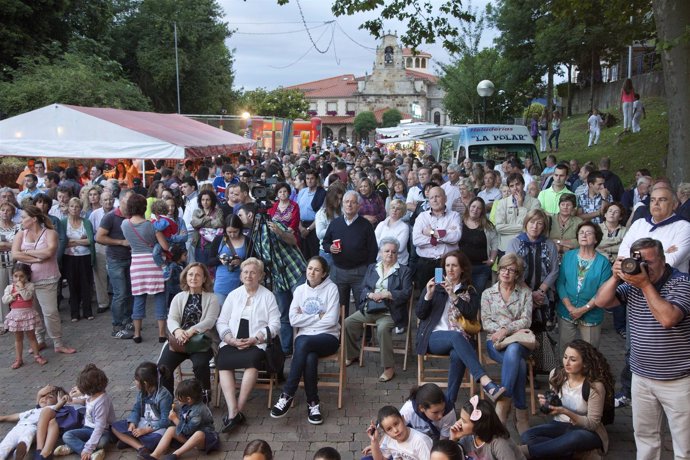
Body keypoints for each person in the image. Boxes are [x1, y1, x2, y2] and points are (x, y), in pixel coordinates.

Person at [595, 238, 690, 459]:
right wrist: (615, 277)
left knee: (684, 446)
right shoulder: (633, 285)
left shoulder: (681, 282)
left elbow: (668, 319)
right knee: (645, 438)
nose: (645, 266)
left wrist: (645, 284)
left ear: (664, 260)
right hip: (641, 377)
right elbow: (602, 302)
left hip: (677, 379)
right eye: (639, 261)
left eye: (650, 261)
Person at [416, 250, 504, 405]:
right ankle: (485, 382)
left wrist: (454, 296)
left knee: (458, 354)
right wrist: (428, 295)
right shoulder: (434, 287)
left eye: (454, 266)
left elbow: (471, 314)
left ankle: (449, 405)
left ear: (462, 268)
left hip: (461, 340)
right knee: (456, 336)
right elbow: (420, 314)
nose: (450, 269)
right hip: (433, 337)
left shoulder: (470, 290)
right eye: (447, 265)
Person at [269, 256, 340, 424]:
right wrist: (317, 316)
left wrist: (305, 317)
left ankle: (287, 394)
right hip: (306, 340)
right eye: (309, 268)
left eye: (316, 270)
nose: (312, 272)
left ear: (323, 274)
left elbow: (331, 320)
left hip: (328, 337)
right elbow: (293, 320)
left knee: (303, 343)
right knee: (309, 356)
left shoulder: (332, 289)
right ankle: (313, 403)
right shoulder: (300, 290)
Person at [216, 258, 280, 434]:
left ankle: (238, 409)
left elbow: (275, 324)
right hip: (232, 340)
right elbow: (221, 321)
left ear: (260, 275)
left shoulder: (268, 296)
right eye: (245, 272)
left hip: (255, 342)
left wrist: (256, 338)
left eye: (253, 272)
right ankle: (233, 411)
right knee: (223, 361)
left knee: (252, 361)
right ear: (241, 274)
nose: (248, 275)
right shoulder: (233, 295)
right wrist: (230, 339)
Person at [520, 340, 613, 459]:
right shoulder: (556, 374)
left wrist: (566, 411)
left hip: (586, 431)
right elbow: (553, 409)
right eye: (565, 357)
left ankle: (523, 453)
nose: (566, 363)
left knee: (575, 437)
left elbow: (592, 424)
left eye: (573, 360)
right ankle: (574, 453)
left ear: (584, 363)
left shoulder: (594, 386)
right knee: (527, 437)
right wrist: (548, 405)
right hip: (559, 424)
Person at [237, 203, 306, 354]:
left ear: (249, 215)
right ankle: (287, 349)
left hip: (295, 272)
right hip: (278, 278)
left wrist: (279, 232)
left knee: (302, 310)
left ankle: (304, 346)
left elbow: (293, 240)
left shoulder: (272, 223)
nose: (238, 218)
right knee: (283, 314)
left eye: (240, 215)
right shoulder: (253, 234)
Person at [344, 238, 412, 382]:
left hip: (389, 312)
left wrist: (388, 294)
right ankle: (353, 354)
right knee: (348, 322)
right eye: (387, 251)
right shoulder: (372, 268)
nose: (390, 254)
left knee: (382, 329)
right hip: (370, 308)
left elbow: (407, 293)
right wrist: (370, 294)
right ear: (380, 253)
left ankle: (389, 368)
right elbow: (362, 288)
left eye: (394, 252)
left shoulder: (404, 271)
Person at [11, 206, 75, 354]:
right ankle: (40, 340)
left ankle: (58, 342)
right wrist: (37, 257)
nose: (21, 220)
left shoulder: (50, 233)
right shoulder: (21, 234)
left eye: (23, 217)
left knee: (50, 311)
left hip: (47, 278)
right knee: (34, 311)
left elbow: (49, 252)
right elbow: (15, 254)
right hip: (27, 281)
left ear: (33, 219)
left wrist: (26, 252)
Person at [480, 254, 532, 434]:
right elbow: (485, 322)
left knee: (515, 349)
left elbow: (526, 320)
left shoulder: (525, 293)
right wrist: (502, 332)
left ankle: (503, 401)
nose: (506, 273)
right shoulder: (488, 293)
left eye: (511, 270)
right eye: (503, 268)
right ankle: (521, 412)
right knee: (519, 363)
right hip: (495, 343)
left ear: (517, 274)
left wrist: (506, 329)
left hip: (519, 342)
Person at [158, 263, 219, 397]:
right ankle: (167, 400)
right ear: (186, 277)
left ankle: (203, 399)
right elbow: (172, 319)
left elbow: (210, 320)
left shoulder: (212, 298)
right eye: (190, 274)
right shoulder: (178, 297)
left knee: (201, 365)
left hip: (202, 342)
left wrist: (192, 331)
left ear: (204, 279)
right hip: (179, 341)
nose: (193, 277)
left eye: (198, 275)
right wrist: (178, 331)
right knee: (163, 367)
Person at [556, 222, 612, 356]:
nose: (584, 235)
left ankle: (588, 377)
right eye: (581, 232)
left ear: (596, 239)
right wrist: (570, 307)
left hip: (591, 314)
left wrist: (583, 309)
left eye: (588, 233)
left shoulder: (603, 263)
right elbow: (561, 283)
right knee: (564, 349)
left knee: (590, 353)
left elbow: (602, 292)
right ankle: (564, 376)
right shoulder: (568, 256)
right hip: (566, 311)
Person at [121, 193, 168, 343]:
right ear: (144, 207)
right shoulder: (151, 225)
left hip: (136, 265)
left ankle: (136, 333)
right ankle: (161, 334)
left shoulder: (125, 224)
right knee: (160, 298)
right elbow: (165, 246)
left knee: (139, 298)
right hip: (153, 264)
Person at [322, 191, 377, 314]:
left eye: (353, 202)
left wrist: (368, 270)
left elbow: (373, 249)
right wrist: (330, 248)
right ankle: (342, 332)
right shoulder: (335, 223)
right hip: (339, 271)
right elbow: (325, 243)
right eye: (347, 202)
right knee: (340, 307)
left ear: (358, 206)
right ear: (342, 204)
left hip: (360, 272)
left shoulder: (366, 225)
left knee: (362, 306)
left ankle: (365, 334)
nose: (349, 205)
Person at [618, 182, 690, 273]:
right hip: (634, 281)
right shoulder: (639, 224)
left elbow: (670, 262)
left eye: (662, 200)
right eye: (652, 200)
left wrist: (635, 259)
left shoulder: (684, 228)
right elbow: (622, 254)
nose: (656, 203)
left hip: (670, 284)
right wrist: (663, 253)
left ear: (674, 205)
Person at [141, 379, 219, 460]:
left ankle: (175, 454)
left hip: (204, 440)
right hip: (190, 437)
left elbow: (187, 430)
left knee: (199, 434)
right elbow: (184, 424)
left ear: (188, 399)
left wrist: (175, 419)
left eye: (179, 399)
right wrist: (175, 419)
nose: (177, 401)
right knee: (171, 429)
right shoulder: (187, 405)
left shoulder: (198, 411)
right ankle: (154, 455)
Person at [111, 362, 173, 458]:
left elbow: (165, 421)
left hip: (157, 427)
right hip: (143, 423)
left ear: (145, 383)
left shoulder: (164, 396)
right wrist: (132, 423)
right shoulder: (142, 392)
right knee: (114, 427)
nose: (134, 382)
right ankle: (141, 447)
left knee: (157, 439)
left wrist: (146, 430)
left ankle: (131, 441)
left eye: (136, 380)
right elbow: (136, 409)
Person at [54, 364, 115, 460]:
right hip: (87, 429)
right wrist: (67, 399)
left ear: (88, 388)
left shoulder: (101, 402)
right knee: (67, 435)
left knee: (101, 443)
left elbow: (99, 427)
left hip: (104, 431)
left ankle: (75, 448)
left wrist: (88, 449)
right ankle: (93, 453)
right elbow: (80, 400)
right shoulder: (91, 394)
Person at [96, 189, 134, 339]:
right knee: (120, 293)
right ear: (122, 200)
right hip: (115, 260)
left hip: (131, 259)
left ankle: (127, 320)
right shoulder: (110, 217)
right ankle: (117, 326)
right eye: (130, 200)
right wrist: (121, 242)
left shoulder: (132, 215)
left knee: (130, 292)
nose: (132, 203)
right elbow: (99, 237)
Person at [0, 385, 69, 460]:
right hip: (18, 427)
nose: (44, 398)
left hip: (32, 427)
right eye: (43, 396)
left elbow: (57, 406)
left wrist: (61, 402)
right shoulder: (31, 411)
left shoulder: (50, 409)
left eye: (50, 397)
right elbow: (11, 417)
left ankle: (19, 454)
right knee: (5, 445)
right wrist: (2, 418)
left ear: (57, 401)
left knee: (26, 438)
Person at [412, 186, 461, 290]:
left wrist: (431, 232)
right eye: (431, 197)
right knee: (425, 294)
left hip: (443, 264)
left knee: (440, 293)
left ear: (445, 198)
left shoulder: (454, 216)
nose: (434, 200)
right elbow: (416, 240)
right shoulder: (422, 217)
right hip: (425, 264)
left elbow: (455, 237)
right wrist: (443, 236)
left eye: (437, 196)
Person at [449, 395, 525, 459]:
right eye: (460, 419)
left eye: (464, 421)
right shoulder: (468, 438)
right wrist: (453, 439)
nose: (458, 423)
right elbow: (449, 457)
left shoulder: (499, 444)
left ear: (479, 425)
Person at [59, 197, 96, 322]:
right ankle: (74, 313)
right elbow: (63, 242)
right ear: (68, 208)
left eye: (77, 207)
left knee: (86, 284)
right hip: (69, 258)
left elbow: (90, 241)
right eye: (72, 206)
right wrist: (81, 241)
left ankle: (87, 311)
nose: (74, 209)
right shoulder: (63, 222)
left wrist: (73, 241)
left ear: (81, 209)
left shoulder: (86, 222)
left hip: (85, 257)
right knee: (72, 285)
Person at [3, 263, 46, 368]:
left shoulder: (30, 286)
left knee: (32, 336)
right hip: (16, 316)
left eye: (21, 276)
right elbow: (4, 300)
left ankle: (37, 355)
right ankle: (19, 359)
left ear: (27, 276)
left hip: (28, 315)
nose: (18, 278)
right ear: (12, 276)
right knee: (18, 338)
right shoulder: (9, 288)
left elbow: (27, 297)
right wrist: (13, 295)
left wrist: (21, 289)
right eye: (16, 276)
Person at [493, 173, 542, 256]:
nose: (515, 188)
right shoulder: (502, 203)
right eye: (511, 186)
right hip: (505, 247)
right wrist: (522, 228)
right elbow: (498, 227)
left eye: (517, 184)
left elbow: (532, 226)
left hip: (527, 246)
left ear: (523, 185)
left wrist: (520, 206)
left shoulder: (535, 202)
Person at [362, 406, 432, 460]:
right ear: (385, 433)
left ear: (403, 419)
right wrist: (374, 441)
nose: (395, 430)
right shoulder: (389, 438)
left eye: (396, 424)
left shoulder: (421, 441)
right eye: (389, 429)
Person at [458, 197, 497, 294]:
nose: (475, 210)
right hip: (462, 268)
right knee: (461, 295)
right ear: (469, 207)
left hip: (481, 269)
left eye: (479, 208)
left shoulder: (488, 226)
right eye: (473, 206)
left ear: (482, 211)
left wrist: (492, 260)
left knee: (477, 296)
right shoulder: (459, 222)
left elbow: (495, 243)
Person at [208, 215, 247, 307]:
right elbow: (209, 261)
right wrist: (220, 259)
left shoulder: (247, 241)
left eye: (235, 232)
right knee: (220, 313)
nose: (232, 235)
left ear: (240, 229)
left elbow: (253, 261)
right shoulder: (219, 240)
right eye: (229, 232)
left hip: (241, 283)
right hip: (222, 283)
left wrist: (241, 262)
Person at [297, 170, 326, 260]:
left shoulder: (321, 193)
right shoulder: (302, 192)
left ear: (316, 179)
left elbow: (321, 214)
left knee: (314, 255)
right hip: (301, 226)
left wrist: (308, 229)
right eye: (307, 178)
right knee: (302, 254)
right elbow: (296, 210)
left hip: (314, 227)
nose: (309, 181)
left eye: (312, 178)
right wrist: (301, 227)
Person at [0, 202, 21, 326]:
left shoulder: (18, 227)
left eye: (8, 210)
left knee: (16, 290)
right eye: (2, 210)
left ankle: (17, 320)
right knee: (2, 292)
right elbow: (15, 245)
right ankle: (3, 322)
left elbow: (20, 245)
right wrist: (12, 245)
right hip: (1, 264)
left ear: (13, 213)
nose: (5, 213)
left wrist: (4, 245)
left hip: (15, 264)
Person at [190, 189, 224, 268]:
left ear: (212, 200)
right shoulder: (197, 211)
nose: (205, 202)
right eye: (203, 200)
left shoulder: (218, 211)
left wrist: (201, 224)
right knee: (201, 268)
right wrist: (208, 218)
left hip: (213, 245)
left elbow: (219, 223)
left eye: (207, 200)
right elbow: (194, 223)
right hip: (199, 246)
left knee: (212, 270)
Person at [374, 199, 409, 265]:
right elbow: (373, 242)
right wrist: (391, 243)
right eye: (393, 207)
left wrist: (382, 242)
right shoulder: (381, 224)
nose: (394, 210)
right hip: (380, 262)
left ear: (403, 213)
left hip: (398, 263)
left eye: (398, 209)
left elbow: (399, 248)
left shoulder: (404, 227)